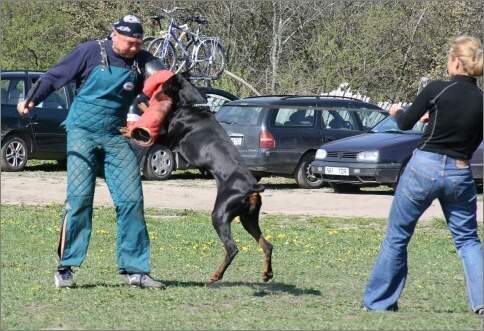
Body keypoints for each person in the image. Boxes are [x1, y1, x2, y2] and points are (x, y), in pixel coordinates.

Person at [17, 15, 173, 289]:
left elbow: (163, 87)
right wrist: (31, 99)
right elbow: (54, 77)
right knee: (79, 199)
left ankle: (135, 270)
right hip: (81, 132)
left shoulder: (141, 61)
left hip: (115, 135)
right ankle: (65, 267)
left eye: (138, 43)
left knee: (132, 199)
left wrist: (160, 105)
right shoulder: (90, 52)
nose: (134, 48)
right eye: (129, 43)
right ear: (114, 35)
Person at [362, 35, 483, 314]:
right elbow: (471, 140)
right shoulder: (481, 100)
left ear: (454, 62)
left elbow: (405, 123)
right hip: (460, 172)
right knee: (467, 240)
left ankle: (379, 303)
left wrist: (396, 111)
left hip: (423, 168)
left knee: (398, 236)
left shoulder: (437, 89)